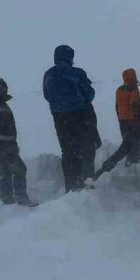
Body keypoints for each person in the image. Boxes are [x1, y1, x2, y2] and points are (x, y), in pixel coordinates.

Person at [43, 44, 101, 192]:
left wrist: (59, 104)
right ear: (70, 57)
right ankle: (88, 184)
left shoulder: (48, 74)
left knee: (68, 152)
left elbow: (47, 95)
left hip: (59, 118)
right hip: (79, 115)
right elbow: (89, 94)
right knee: (86, 149)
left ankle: (71, 186)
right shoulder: (77, 73)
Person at [0, 78, 37, 207]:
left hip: (9, 144)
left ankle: (8, 199)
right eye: (3, 87)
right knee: (19, 169)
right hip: (2, 145)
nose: (5, 89)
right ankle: (20, 198)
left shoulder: (1, 104)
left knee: (6, 171)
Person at [115, 68, 140, 166]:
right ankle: (135, 162)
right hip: (132, 120)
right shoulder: (133, 89)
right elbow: (135, 104)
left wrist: (120, 118)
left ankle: (128, 161)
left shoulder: (119, 89)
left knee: (127, 142)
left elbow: (117, 106)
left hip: (123, 121)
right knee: (136, 142)